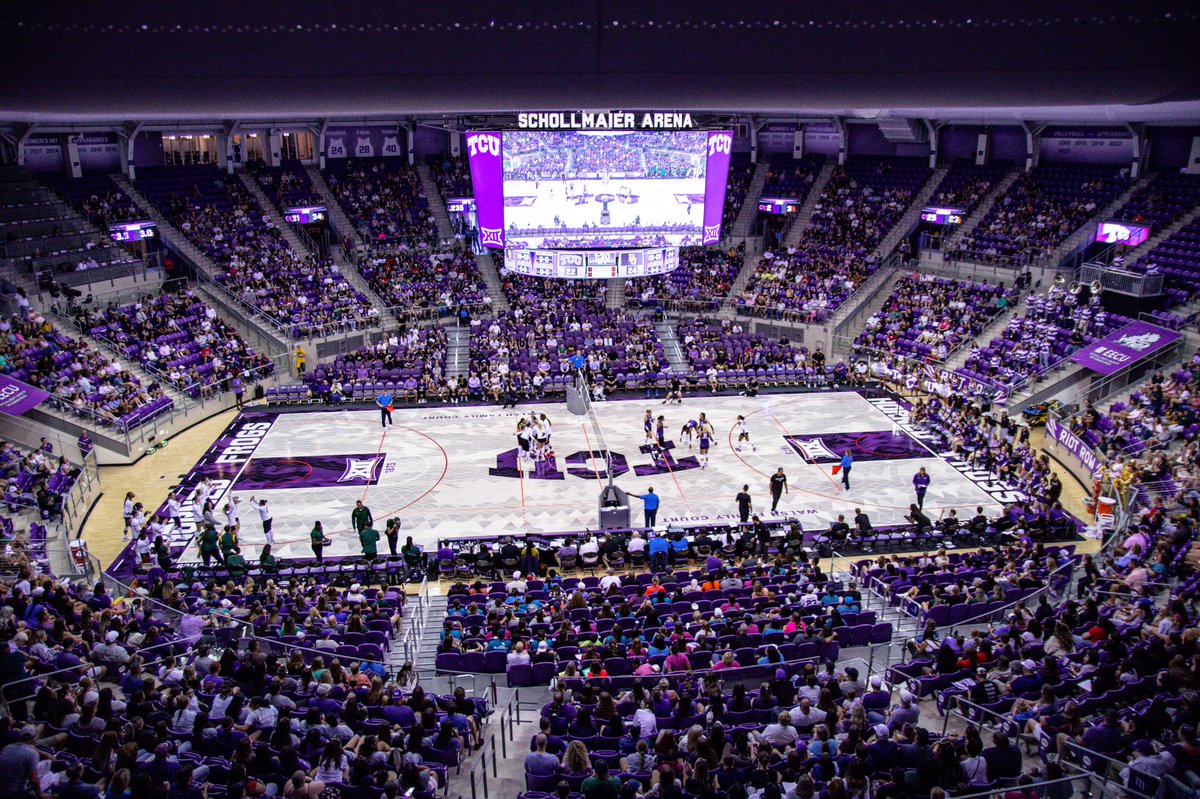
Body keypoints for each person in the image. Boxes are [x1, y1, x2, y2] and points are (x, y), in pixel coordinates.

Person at [0, 725, 45, 799]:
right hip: (14, 793)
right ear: (33, 738)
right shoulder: (32, 753)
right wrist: (40, 795)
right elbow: (33, 780)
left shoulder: (7, 747)